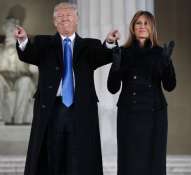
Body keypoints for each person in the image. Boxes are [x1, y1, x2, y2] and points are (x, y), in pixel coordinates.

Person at [14, 2, 119, 175]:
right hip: (52, 109)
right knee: (51, 158)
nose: (64, 19)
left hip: (81, 110)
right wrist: (23, 40)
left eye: (68, 15)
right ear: (54, 22)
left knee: (79, 158)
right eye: (60, 16)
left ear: (77, 19)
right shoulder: (43, 43)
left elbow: (103, 55)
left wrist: (109, 42)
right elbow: (29, 54)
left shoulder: (89, 46)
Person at [107, 11, 176, 175]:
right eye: (138, 23)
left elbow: (170, 86)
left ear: (152, 27)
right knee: (129, 162)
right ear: (133, 27)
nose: (142, 26)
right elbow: (112, 88)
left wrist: (166, 64)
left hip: (155, 114)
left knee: (154, 162)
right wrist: (116, 67)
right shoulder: (122, 52)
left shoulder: (161, 52)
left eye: (146, 23)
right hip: (128, 114)